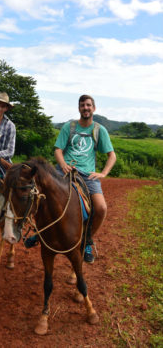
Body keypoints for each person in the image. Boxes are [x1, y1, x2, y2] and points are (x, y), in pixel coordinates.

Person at [54, 94, 116, 264]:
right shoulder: (69, 126)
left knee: (101, 208)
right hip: (65, 170)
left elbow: (112, 156)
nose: (85, 108)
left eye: (88, 105)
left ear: (93, 108)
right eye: (82, 105)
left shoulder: (98, 130)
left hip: (88, 174)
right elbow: (58, 150)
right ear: (79, 108)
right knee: (42, 193)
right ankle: (39, 233)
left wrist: (103, 173)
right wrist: (63, 164)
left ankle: (87, 240)